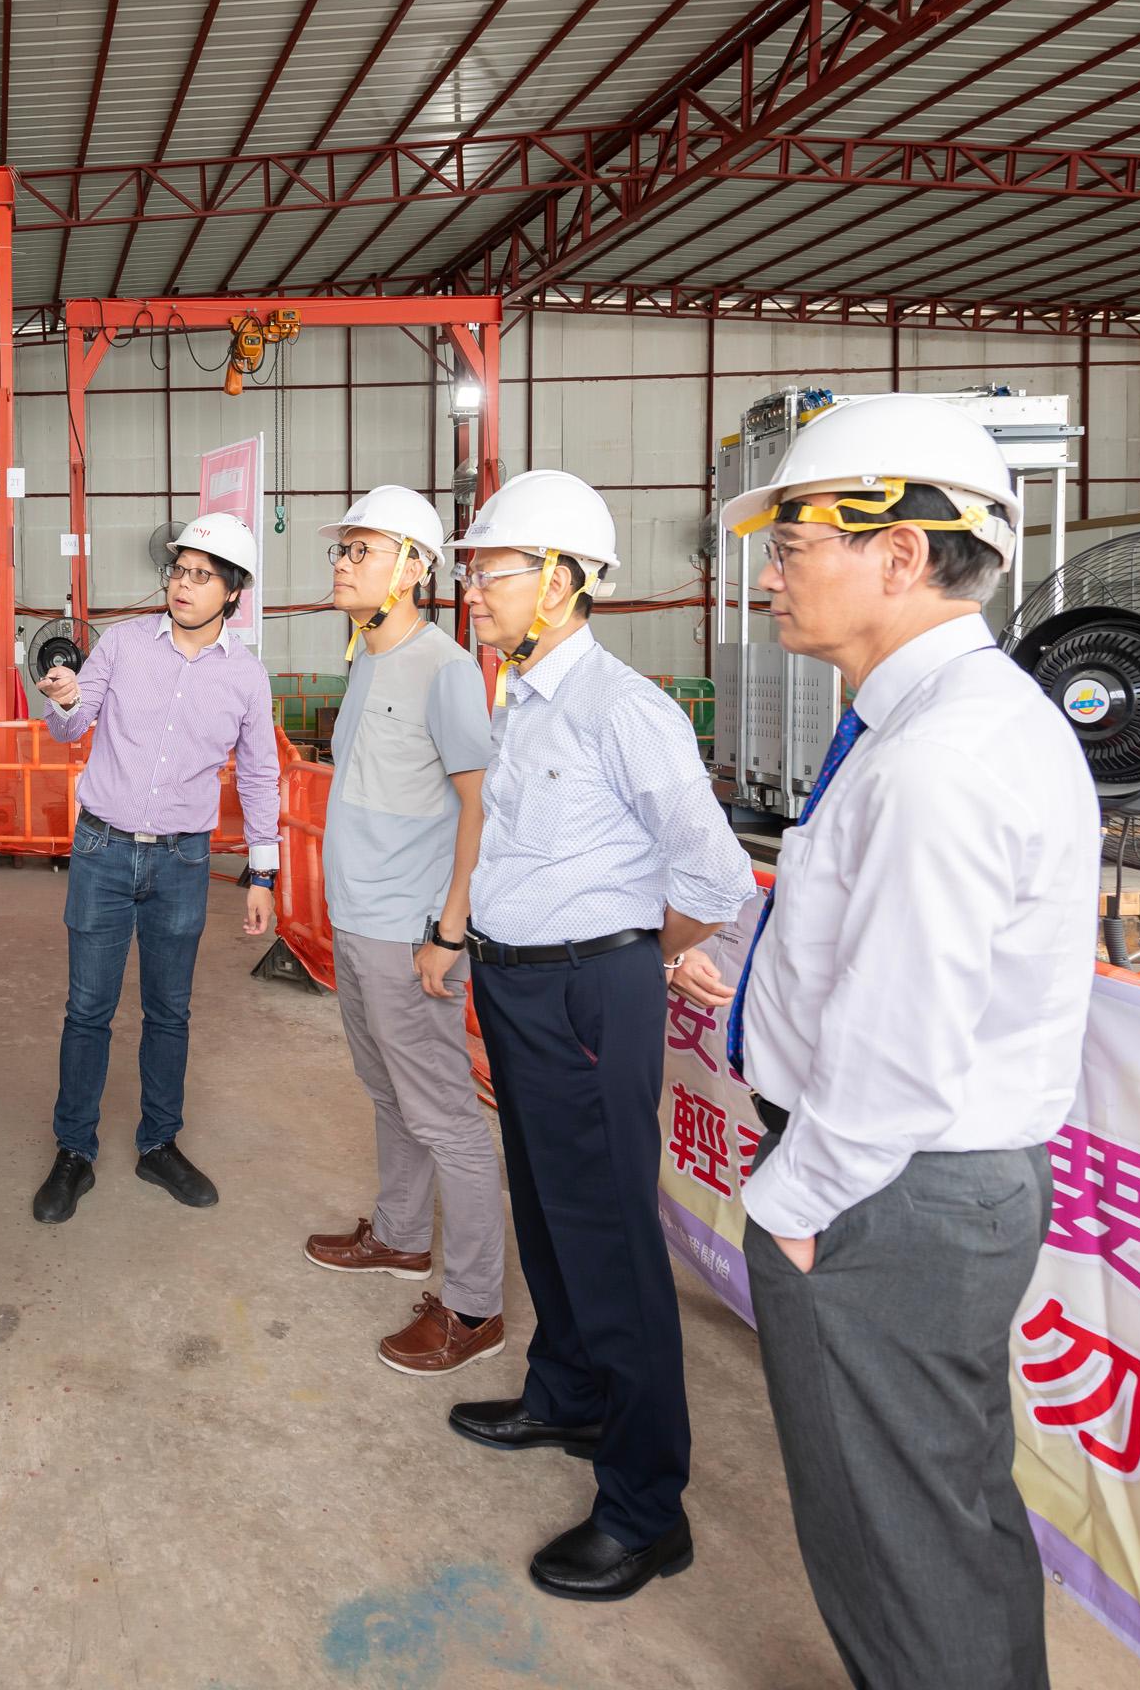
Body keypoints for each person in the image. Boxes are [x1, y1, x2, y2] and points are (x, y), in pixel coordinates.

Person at [701, 394, 1097, 1690]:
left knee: (891, 1539)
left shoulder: (946, 756)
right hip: (903, 1182)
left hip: (883, 1190)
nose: (771, 573)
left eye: (795, 539)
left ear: (902, 554)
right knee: (941, 1511)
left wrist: (796, 1203)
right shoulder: (917, 724)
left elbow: (902, 1042)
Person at [444, 469, 755, 1604]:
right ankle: (566, 1391)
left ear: (563, 581)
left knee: (613, 1239)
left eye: (496, 570)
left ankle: (644, 1506)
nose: (474, 588)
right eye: (475, 569)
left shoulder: (628, 709)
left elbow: (715, 876)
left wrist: (634, 944)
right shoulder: (518, 693)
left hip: (590, 994)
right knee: (547, 1204)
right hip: (517, 986)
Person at [296, 486, 505, 1377]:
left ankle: (473, 1304)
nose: (341, 564)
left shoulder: (444, 667)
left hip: (409, 931)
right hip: (357, 918)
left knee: (446, 1116)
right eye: (341, 550)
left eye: (361, 550)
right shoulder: (367, 660)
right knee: (387, 1091)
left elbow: (478, 805)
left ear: (414, 567)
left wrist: (448, 932)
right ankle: (400, 1235)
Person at [28, 513, 282, 1223]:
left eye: (202, 575)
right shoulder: (124, 645)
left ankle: (158, 1145)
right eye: (178, 571)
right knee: (88, 1008)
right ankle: (73, 1151)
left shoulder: (246, 678)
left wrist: (263, 875)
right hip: (103, 849)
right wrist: (68, 699)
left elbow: (261, 776)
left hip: (182, 860)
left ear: (233, 593)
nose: (183, 585)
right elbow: (75, 725)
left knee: (170, 1011)